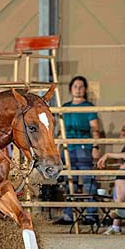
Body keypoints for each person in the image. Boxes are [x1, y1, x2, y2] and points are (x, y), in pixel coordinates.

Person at [54, 76, 101, 225]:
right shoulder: (65, 107)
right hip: (68, 148)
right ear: (70, 89)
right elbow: (61, 130)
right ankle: (69, 215)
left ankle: (91, 215)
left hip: (83, 147)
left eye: (81, 86)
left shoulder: (89, 107)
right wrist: (57, 147)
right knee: (69, 182)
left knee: (88, 181)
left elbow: (95, 129)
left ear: (85, 89)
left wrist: (95, 147)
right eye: (75, 86)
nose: (78, 89)